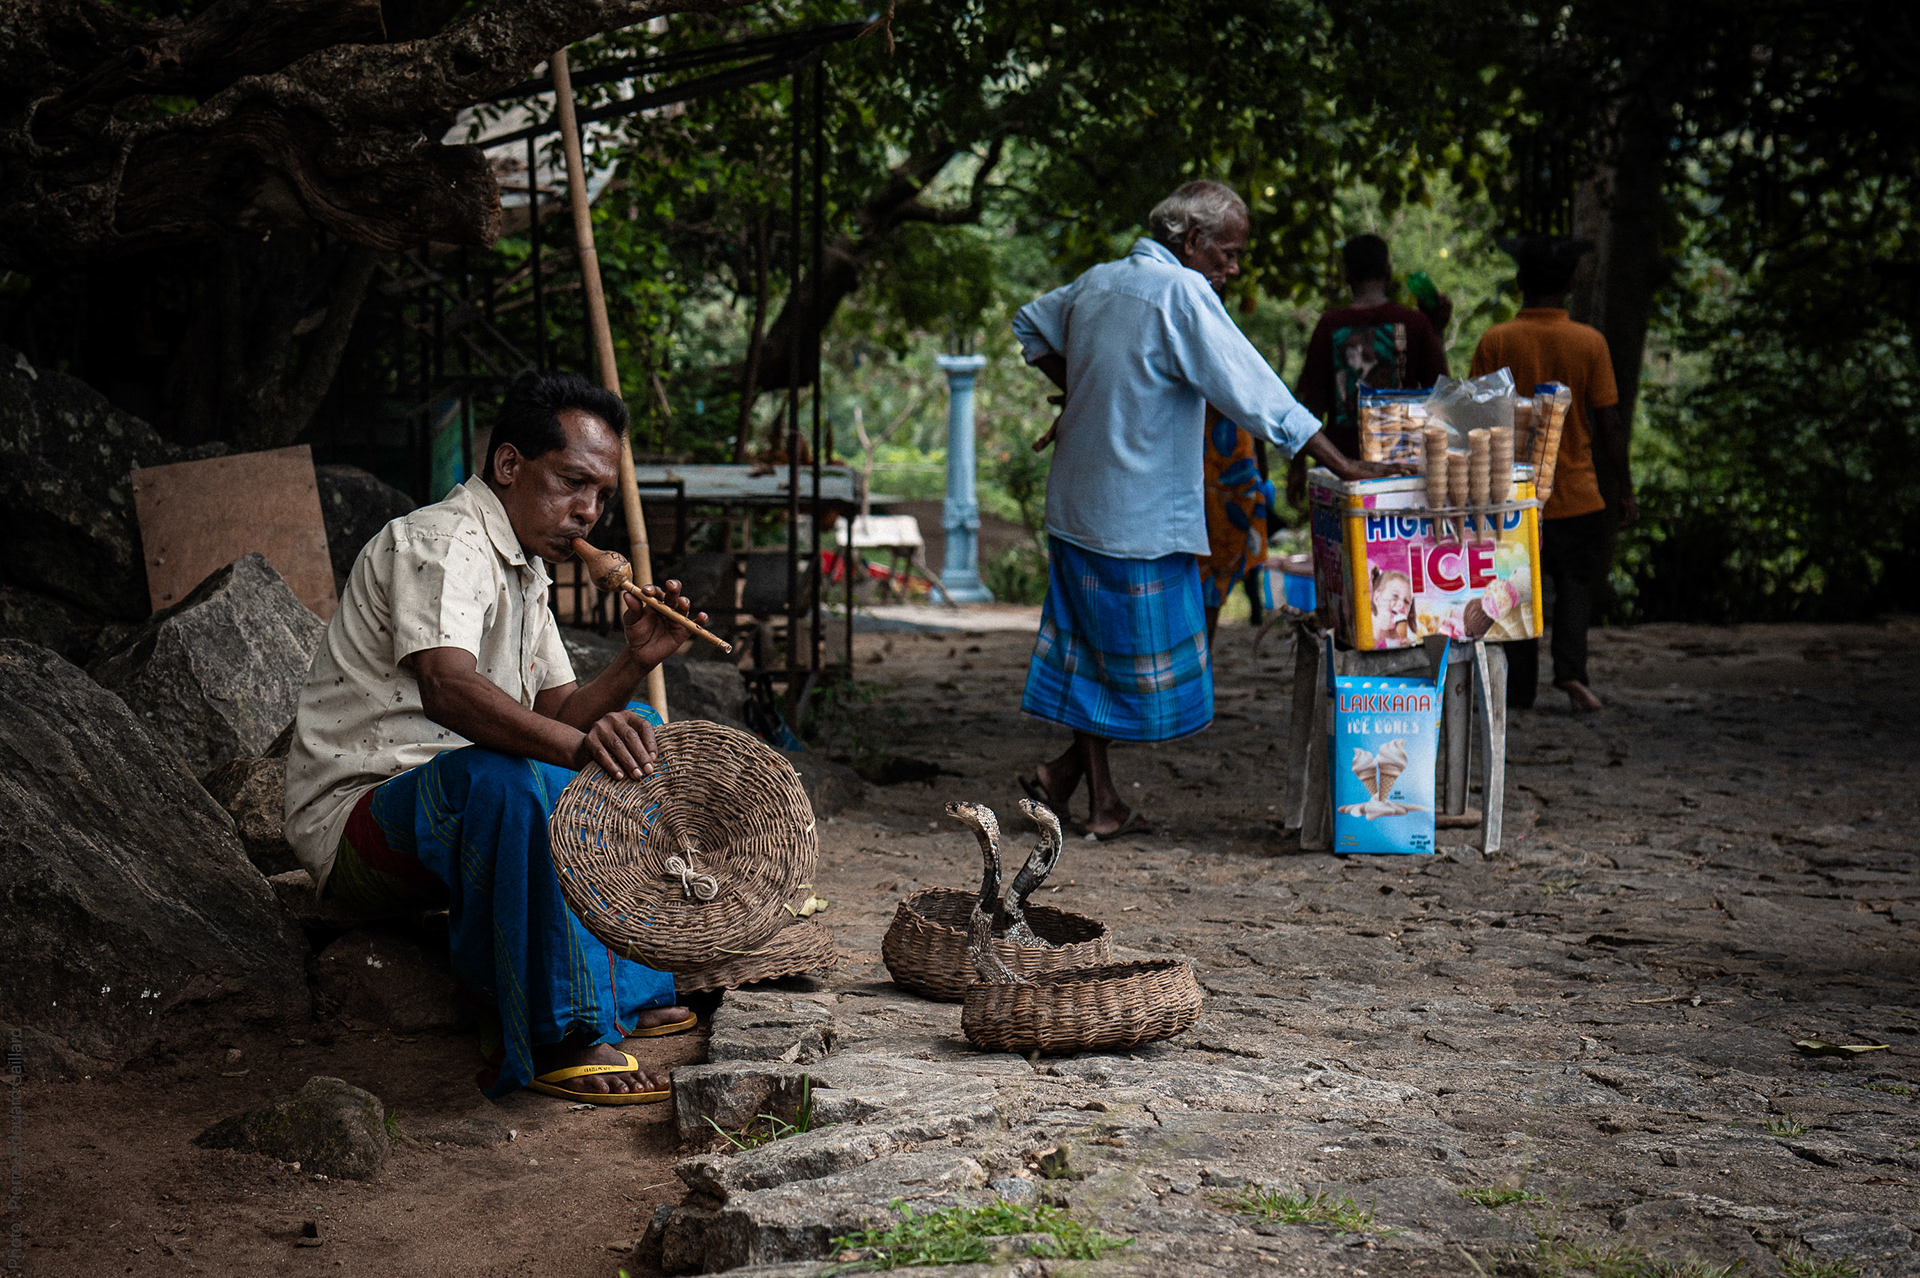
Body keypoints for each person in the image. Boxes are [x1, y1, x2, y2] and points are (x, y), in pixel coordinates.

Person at [284, 370, 704, 1104]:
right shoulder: (443, 542)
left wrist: (635, 662)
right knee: (509, 779)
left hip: (468, 803)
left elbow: (566, 713)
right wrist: (578, 750)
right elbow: (448, 688)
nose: (588, 512)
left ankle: (626, 993)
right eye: (573, 482)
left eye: (602, 495)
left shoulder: (526, 569)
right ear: (510, 465)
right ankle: (555, 1036)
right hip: (364, 819)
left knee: (642, 735)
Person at [1011, 180, 1408, 838]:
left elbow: (1029, 322)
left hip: (1082, 504)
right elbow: (1254, 388)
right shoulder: (1181, 291)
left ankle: (1079, 784)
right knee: (1125, 664)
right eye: (1227, 253)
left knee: (1094, 656)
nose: (1233, 267)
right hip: (1130, 513)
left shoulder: (1098, 281)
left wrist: (1083, 391)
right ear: (1190, 242)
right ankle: (1091, 795)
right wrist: (1342, 463)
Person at [1470, 237, 1637, 713]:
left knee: (1516, 588)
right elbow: (1609, 421)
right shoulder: (1589, 342)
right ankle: (1572, 675)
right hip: (1577, 493)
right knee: (1576, 588)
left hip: (1514, 496)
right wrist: (1623, 488)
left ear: (1521, 283)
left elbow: (1478, 416)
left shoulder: (1496, 340)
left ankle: (1518, 690)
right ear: (1569, 285)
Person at [1290, 233, 1451, 504]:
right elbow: (1442, 395)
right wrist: (1437, 330)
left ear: (1346, 275)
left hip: (1340, 467)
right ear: (1388, 273)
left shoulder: (1329, 326)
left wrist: (1297, 468)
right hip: (1404, 469)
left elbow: (1311, 407)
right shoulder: (1415, 323)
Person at [1199, 404, 1278, 643]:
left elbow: (1254, 401)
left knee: (1217, 566)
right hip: (1203, 466)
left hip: (1233, 475)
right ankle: (1203, 656)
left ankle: (1204, 656)